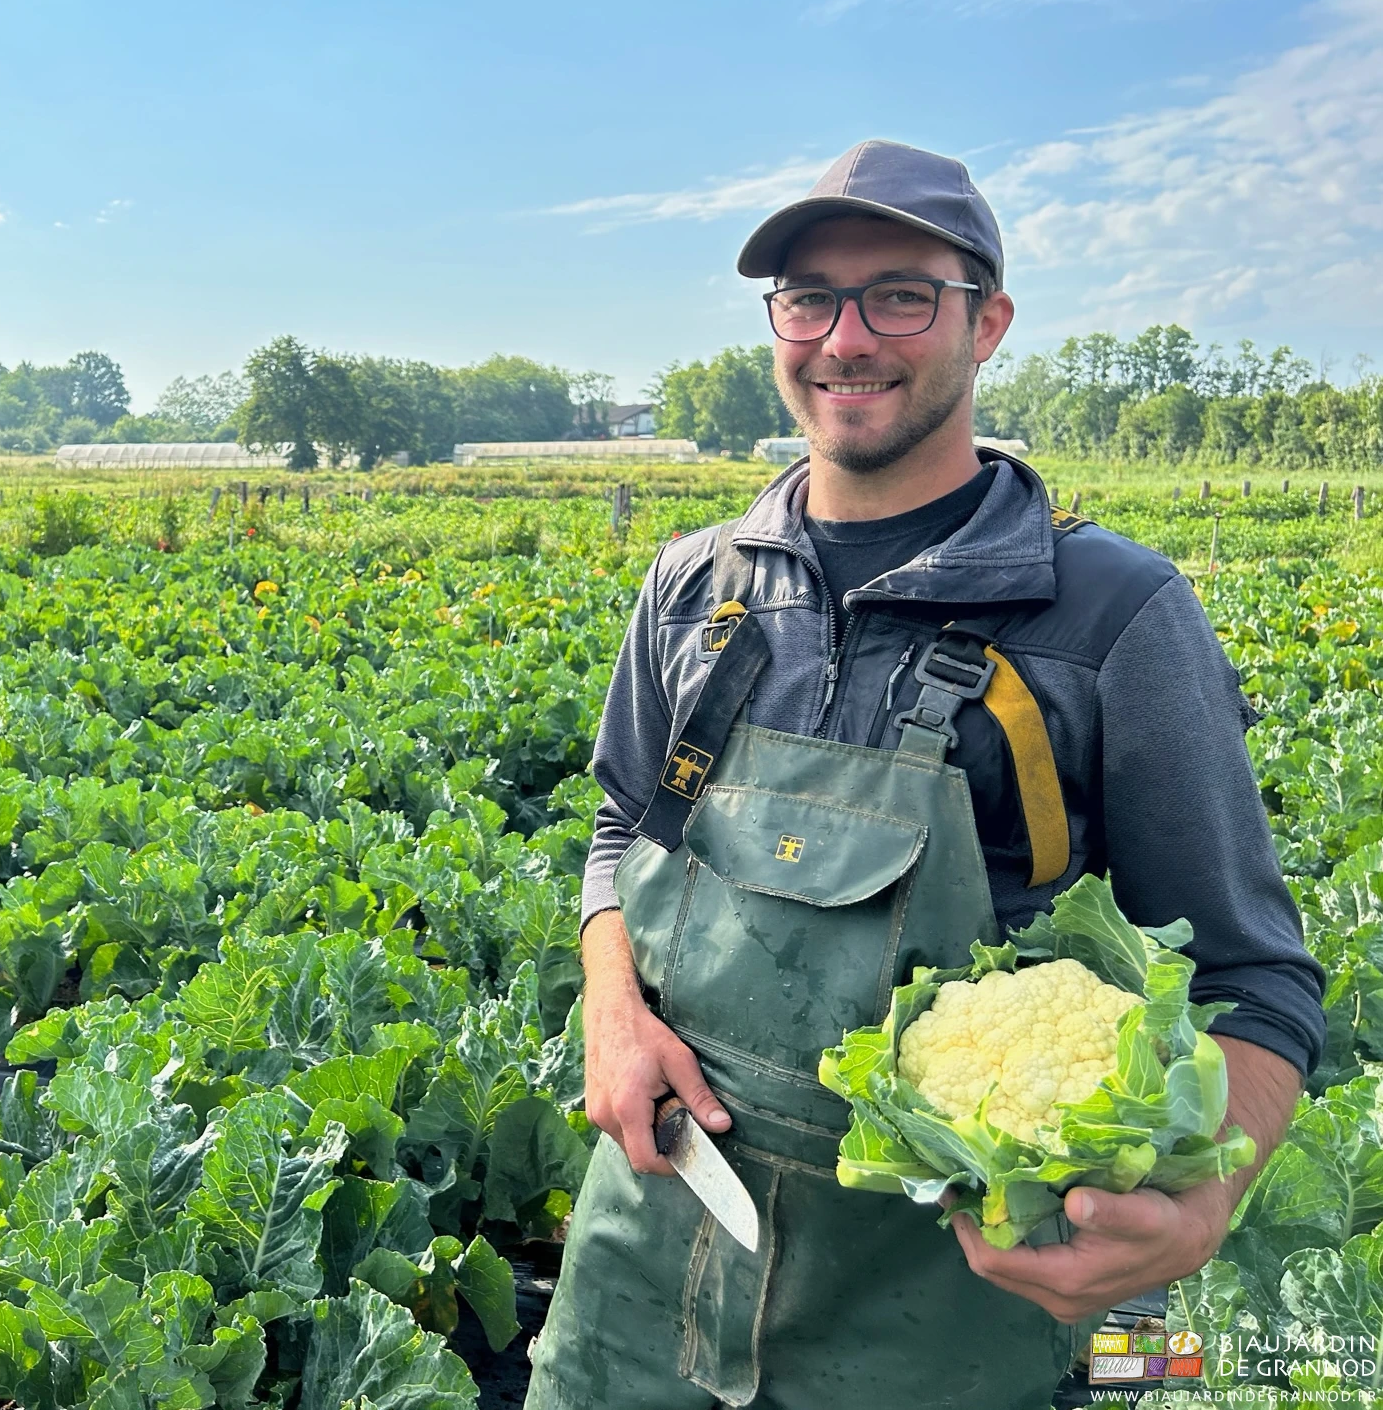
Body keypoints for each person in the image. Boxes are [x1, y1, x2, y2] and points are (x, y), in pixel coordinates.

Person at [524, 140, 1324, 1410]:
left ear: (985, 321)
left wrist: (1202, 1196)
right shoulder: (693, 584)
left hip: (951, 1302)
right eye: (807, 298)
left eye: (898, 292)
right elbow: (625, 821)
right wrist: (612, 1010)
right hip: (653, 1245)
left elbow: (1252, 979)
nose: (845, 337)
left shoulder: (1111, 617)